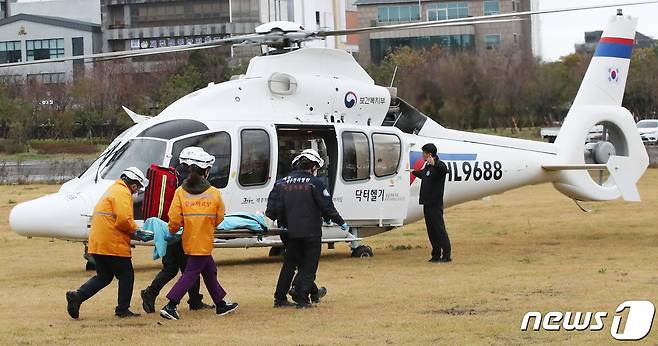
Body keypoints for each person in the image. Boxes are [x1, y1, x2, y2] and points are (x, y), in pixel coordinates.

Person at [159, 147, 238, 320]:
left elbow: (173, 219)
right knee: (191, 274)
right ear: (207, 171)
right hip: (204, 240)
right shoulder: (214, 193)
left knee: (210, 271)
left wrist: (173, 231)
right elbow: (219, 218)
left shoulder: (180, 191)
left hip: (188, 240)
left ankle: (221, 305)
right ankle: (171, 305)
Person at [266, 149, 347, 308]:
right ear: (313, 166)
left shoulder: (281, 183)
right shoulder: (314, 183)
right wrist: (340, 221)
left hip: (288, 232)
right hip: (310, 232)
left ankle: (280, 299)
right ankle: (301, 298)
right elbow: (326, 206)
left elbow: (271, 210)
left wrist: (267, 226)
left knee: (289, 265)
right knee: (308, 266)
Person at [66, 167, 149, 319]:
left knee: (104, 276)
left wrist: (134, 234)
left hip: (98, 243)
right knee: (126, 275)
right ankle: (122, 309)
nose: (137, 191)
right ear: (133, 184)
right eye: (138, 187)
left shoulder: (112, 189)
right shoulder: (123, 193)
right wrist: (137, 232)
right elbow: (123, 220)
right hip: (112, 244)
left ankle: (77, 296)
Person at [140, 164, 214, 314]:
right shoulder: (189, 182)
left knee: (173, 268)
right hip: (179, 233)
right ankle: (189, 301)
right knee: (190, 268)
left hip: (168, 231)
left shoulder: (177, 175)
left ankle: (154, 293)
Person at [412, 143, 451, 263]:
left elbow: (444, 169)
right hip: (427, 203)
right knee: (431, 230)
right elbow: (423, 174)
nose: (422, 155)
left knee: (439, 229)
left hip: (435, 203)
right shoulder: (428, 166)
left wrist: (435, 163)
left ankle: (446, 255)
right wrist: (412, 171)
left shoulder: (438, 165)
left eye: (423, 152)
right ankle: (435, 254)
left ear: (429, 154)